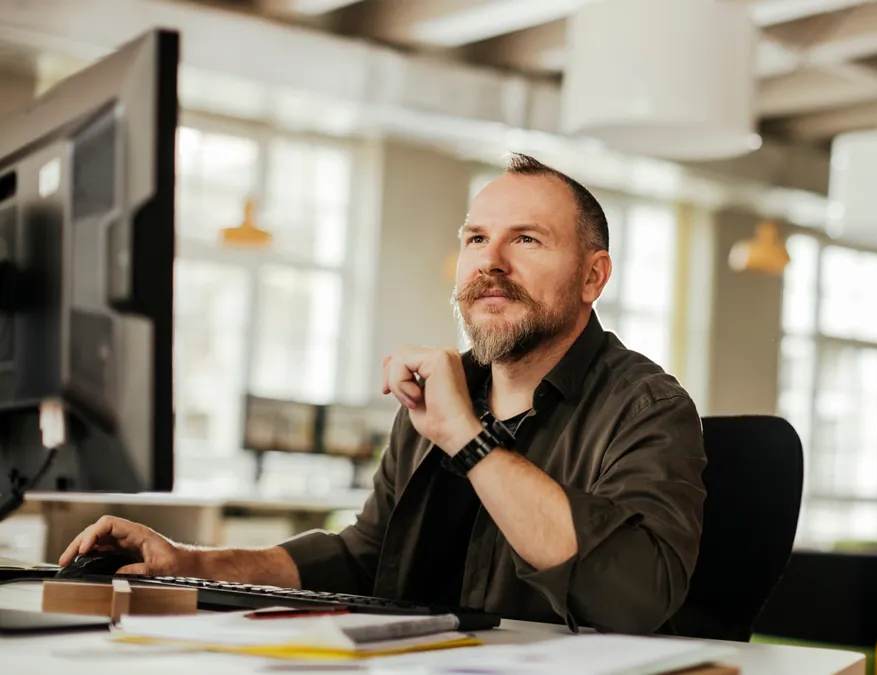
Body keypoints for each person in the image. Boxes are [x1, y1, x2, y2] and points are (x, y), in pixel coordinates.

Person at [58, 153, 707, 634]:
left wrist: (466, 438)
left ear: (593, 277)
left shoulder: (648, 407)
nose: (491, 263)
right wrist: (193, 562)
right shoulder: (444, 395)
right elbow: (365, 557)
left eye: (527, 239)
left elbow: (634, 597)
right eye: (476, 238)